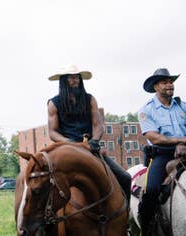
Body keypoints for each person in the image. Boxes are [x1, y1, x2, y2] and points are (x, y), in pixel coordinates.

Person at [46, 65, 131, 202]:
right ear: (64, 81)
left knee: (125, 178)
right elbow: (52, 132)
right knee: (46, 183)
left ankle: (124, 219)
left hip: (90, 148)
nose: (76, 81)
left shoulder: (90, 99)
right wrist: (71, 143)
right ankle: (47, 221)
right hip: (67, 149)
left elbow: (98, 126)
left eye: (77, 77)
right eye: (72, 78)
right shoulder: (54, 103)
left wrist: (95, 141)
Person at [137, 68, 186, 235]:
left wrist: (185, 145)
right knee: (151, 190)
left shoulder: (183, 106)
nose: (170, 85)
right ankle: (147, 229)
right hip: (161, 155)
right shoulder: (146, 110)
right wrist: (182, 140)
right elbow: (155, 137)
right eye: (165, 82)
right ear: (155, 86)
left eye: (171, 81)